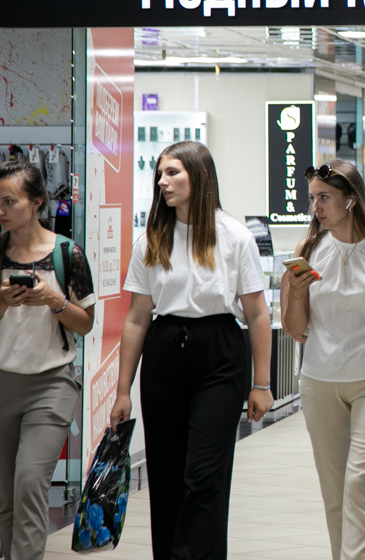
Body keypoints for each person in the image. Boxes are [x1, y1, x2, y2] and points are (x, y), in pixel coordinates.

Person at [110, 142, 273, 560]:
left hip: (219, 352)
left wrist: (262, 383)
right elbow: (137, 318)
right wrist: (123, 390)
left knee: (204, 475)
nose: (162, 182)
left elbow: (257, 314)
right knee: (166, 475)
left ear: (199, 176)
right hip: (164, 350)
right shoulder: (151, 239)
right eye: (159, 174)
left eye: (172, 173)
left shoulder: (234, 236)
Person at [0, 160, 96, 560]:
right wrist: (2, 301)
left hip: (51, 384)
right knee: (7, 494)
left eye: (9, 201)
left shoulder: (68, 253)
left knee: (30, 484)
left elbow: (85, 323)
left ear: (37, 202)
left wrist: (55, 300)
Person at [280, 160, 365, 560]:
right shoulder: (308, 250)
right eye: (312, 198)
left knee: (360, 482)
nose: (316, 206)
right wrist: (297, 292)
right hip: (321, 382)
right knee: (335, 490)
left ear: (351, 199)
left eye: (324, 197)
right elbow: (295, 329)